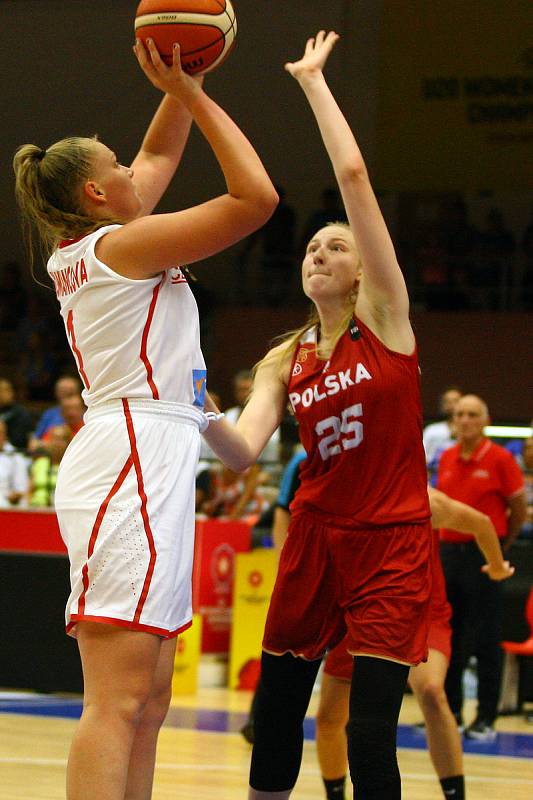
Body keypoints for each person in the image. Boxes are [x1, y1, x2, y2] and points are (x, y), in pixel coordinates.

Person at [13, 35, 277, 800]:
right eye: (118, 169)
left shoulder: (107, 240)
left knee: (150, 700)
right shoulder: (120, 249)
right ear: (97, 196)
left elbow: (157, 160)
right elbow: (255, 200)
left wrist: (181, 79)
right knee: (118, 699)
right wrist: (194, 95)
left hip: (153, 451)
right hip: (127, 456)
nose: (135, 170)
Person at [203, 31, 434, 799]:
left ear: (363, 269)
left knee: (368, 730)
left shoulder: (389, 322)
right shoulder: (286, 357)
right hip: (313, 540)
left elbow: (353, 175)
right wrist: (193, 409)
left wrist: (311, 84)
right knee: (274, 715)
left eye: (334, 246)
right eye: (310, 248)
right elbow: (239, 452)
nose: (318, 254)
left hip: (389, 544)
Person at [314, 486, 514, 800]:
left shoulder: (426, 501)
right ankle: (335, 794)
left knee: (433, 692)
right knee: (328, 718)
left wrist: (498, 567)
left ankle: (455, 794)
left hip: (420, 613)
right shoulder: (348, 493)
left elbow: (482, 523)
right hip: (359, 614)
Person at [437, 394, 527, 741]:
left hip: (485, 556)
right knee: (450, 635)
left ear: (485, 420)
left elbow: (518, 510)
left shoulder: (501, 459)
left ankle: (486, 716)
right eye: (460, 414)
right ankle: (451, 712)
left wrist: (498, 550)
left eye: (473, 414)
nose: (465, 420)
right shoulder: (445, 457)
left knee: (487, 636)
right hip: (449, 554)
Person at [29, 374, 82, 449]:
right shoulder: (54, 428)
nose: (71, 413)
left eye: (70, 392)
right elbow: (34, 444)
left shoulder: (89, 422)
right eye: (67, 409)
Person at [28, 424, 72, 507]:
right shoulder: (39, 463)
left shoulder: (71, 466)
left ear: (69, 443)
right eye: (54, 439)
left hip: (59, 511)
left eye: (62, 440)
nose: (57, 444)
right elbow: (29, 492)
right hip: (35, 509)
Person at [423, 385, 462, 469]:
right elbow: (423, 457)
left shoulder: (470, 432)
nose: (451, 405)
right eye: (447, 401)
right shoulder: (432, 430)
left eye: (455, 401)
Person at [0, 376, 34, 452]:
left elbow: (21, 439)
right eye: (2, 390)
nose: (6, 393)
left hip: (15, 452)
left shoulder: (21, 413)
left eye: (8, 390)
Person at [0, 419, 29, 507]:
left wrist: (6, 498)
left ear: (5, 435)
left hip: (5, 507)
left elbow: (20, 491)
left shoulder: (15, 457)